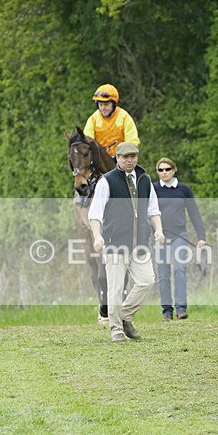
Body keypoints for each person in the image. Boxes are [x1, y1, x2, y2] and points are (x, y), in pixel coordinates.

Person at [88, 141, 165, 342]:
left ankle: (124, 316)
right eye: (125, 157)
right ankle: (116, 329)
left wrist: (159, 230)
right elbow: (95, 214)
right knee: (115, 289)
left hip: (140, 243)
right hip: (115, 243)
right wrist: (97, 236)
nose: (130, 160)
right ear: (118, 159)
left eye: (133, 156)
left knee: (147, 281)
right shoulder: (107, 181)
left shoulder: (145, 179)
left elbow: (153, 209)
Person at [153, 157, 206, 321]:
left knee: (179, 269)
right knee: (163, 274)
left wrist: (201, 236)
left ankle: (181, 308)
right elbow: (147, 213)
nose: (164, 173)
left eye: (167, 169)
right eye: (160, 170)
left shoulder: (183, 189)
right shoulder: (153, 189)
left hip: (180, 236)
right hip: (160, 237)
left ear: (174, 170)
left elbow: (194, 213)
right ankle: (166, 310)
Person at [83, 83, 140, 157]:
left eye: (106, 104)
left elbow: (132, 142)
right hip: (100, 159)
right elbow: (87, 141)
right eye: (100, 105)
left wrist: (122, 154)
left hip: (122, 158)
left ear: (113, 104)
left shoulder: (124, 117)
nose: (103, 108)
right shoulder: (93, 119)